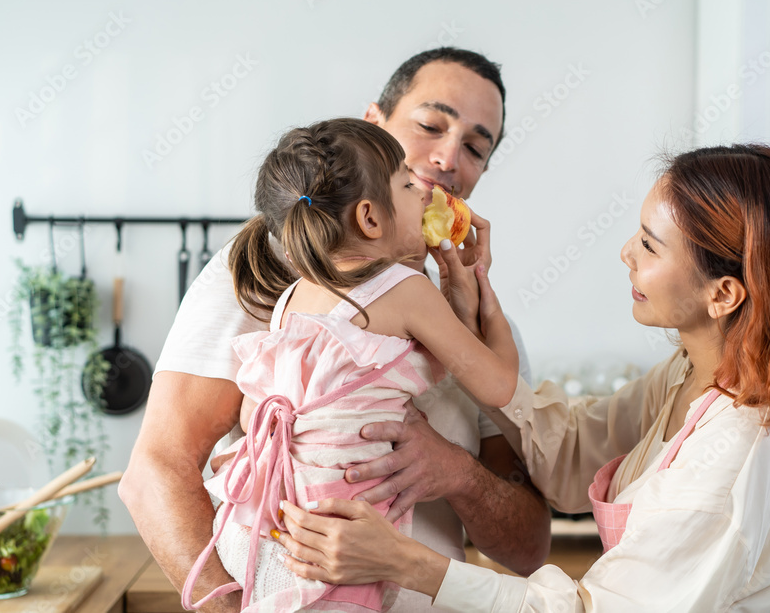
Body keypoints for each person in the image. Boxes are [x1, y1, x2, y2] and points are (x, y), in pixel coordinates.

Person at [271, 144, 770, 611]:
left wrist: (405, 561)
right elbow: (571, 453)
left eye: (649, 245)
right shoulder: (688, 375)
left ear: (722, 293)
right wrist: (478, 317)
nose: (625, 253)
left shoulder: (738, 452)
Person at [120, 48, 551, 613]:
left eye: (474, 147)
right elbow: (155, 472)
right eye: (429, 125)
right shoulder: (257, 271)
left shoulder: (470, 319)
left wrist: (456, 472)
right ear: (371, 126)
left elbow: (530, 548)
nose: (447, 158)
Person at [180, 119, 519, 612]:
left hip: (266, 525)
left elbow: (257, 413)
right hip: (344, 532)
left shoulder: (291, 298)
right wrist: (485, 298)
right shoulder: (407, 290)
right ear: (369, 218)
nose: (425, 193)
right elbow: (497, 385)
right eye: (407, 184)